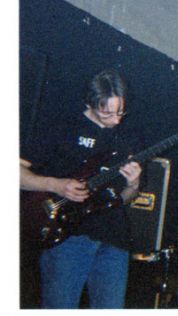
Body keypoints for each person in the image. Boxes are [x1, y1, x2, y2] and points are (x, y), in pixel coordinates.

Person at [19, 68, 143, 309]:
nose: (116, 120)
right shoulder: (64, 127)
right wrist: (55, 184)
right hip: (68, 237)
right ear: (90, 103)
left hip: (114, 240)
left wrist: (133, 184)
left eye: (120, 112)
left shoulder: (128, 138)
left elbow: (126, 198)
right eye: (107, 112)